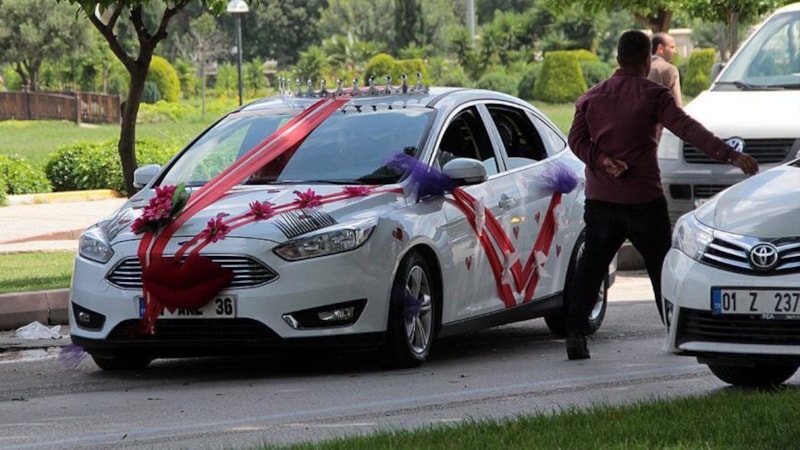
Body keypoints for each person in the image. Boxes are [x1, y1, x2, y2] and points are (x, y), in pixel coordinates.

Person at [564, 30, 759, 361]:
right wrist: (731, 155)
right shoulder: (653, 95)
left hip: (600, 200)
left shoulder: (591, 97)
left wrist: (602, 160)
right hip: (643, 199)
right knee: (661, 266)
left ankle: (575, 334)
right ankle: (674, 329)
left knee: (591, 266)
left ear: (617, 59)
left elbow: (576, 141)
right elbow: (688, 129)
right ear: (646, 60)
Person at [648, 32, 682, 107]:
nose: (675, 51)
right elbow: (677, 105)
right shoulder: (669, 69)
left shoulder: (640, 68)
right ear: (660, 48)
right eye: (672, 47)